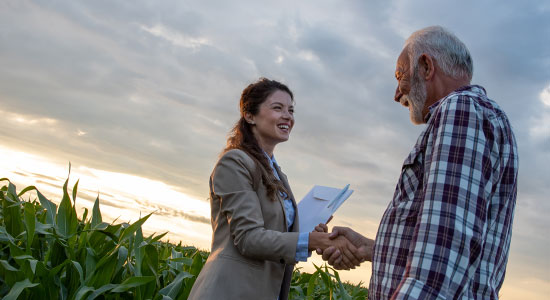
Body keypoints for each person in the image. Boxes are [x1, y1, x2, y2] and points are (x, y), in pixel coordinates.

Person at [318, 26, 519, 299]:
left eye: (400, 76)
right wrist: (370, 249)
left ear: (426, 67)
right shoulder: (477, 116)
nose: (396, 94)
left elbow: (444, 248)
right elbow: (450, 240)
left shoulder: (461, 111)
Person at [188, 78, 360, 300]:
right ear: (250, 116)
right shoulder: (234, 162)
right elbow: (248, 238)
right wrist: (309, 240)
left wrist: (308, 235)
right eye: (277, 108)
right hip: (229, 291)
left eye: (291, 110)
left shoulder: (278, 174)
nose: (288, 116)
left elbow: (278, 245)